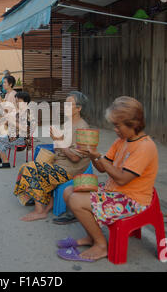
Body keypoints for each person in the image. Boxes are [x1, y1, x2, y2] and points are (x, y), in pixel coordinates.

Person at [57, 96, 158, 262]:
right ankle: (91, 238)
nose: (115, 130)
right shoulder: (121, 141)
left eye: (118, 126)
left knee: (76, 199)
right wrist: (92, 155)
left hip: (132, 200)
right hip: (115, 192)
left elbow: (122, 179)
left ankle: (101, 245)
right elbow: (103, 168)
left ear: (133, 123)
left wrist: (99, 157)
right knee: (69, 191)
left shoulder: (145, 146)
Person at [13, 91, 91, 221]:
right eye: (65, 104)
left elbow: (75, 158)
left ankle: (40, 211)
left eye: (69, 105)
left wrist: (58, 140)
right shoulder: (67, 123)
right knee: (31, 166)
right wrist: (56, 139)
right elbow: (60, 147)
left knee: (30, 168)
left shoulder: (83, 128)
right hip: (60, 163)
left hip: (71, 168)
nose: (65, 107)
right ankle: (43, 203)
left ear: (78, 108)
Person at [0, 91, 36, 169]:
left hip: (23, 138)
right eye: (16, 101)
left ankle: (5, 162)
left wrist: (12, 121)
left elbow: (26, 129)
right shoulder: (19, 111)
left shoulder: (28, 113)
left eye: (19, 101)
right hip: (14, 135)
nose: (17, 103)